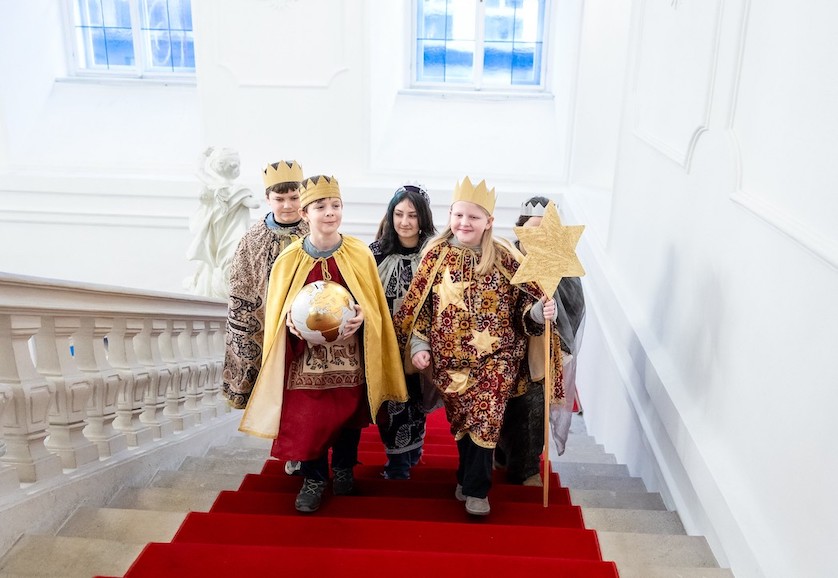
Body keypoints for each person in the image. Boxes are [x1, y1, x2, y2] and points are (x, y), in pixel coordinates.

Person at [239, 175, 408, 513]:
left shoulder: (358, 253)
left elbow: (372, 304)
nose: (329, 212)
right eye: (320, 206)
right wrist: (289, 322)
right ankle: (314, 478)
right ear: (305, 213)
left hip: (349, 355)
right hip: (306, 359)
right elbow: (278, 309)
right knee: (309, 419)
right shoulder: (289, 259)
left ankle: (344, 468)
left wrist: (363, 317)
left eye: (335, 205)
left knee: (348, 415)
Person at [393, 177, 559, 516]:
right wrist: (419, 345)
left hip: (498, 358)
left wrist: (539, 314)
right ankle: (467, 476)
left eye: (473, 217)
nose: (464, 223)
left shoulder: (505, 257)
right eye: (459, 215)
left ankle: (477, 490)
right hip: (448, 360)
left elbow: (525, 307)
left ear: (489, 221)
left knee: (487, 418)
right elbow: (421, 307)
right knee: (464, 423)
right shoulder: (436, 255)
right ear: (450, 216)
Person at [495, 196, 586, 485]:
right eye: (534, 228)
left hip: (541, 353)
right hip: (505, 350)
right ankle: (501, 454)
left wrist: (554, 319)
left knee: (533, 410)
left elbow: (575, 305)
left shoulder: (561, 263)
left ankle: (527, 468)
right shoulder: (504, 259)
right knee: (503, 409)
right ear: (521, 227)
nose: (539, 235)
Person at [222, 160, 308, 410]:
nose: (288, 205)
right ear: (268, 199)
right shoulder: (252, 239)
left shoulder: (314, 231)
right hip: (266, 321)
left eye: (294, 198)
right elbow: (241, 285)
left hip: (305, 320)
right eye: (280, 199)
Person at [368, 184, 437, 479]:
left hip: (422, 341)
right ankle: (397, 461)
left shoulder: (436, 254)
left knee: (416, 400)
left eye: (412, 215)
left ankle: (411, 450)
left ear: (423, 217)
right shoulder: (374, 253)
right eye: (398, 214)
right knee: (392, 402)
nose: (404, 222)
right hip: (385, 341)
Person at [185, 147, 260, 298]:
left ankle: (230, 289)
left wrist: (203, 156)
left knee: (230, 259)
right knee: (219, 262)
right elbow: (255, 204)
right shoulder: (226, 187)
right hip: (218, 233)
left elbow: (199, 171)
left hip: (228, 233)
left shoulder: (232, 188)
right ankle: (223, 289)